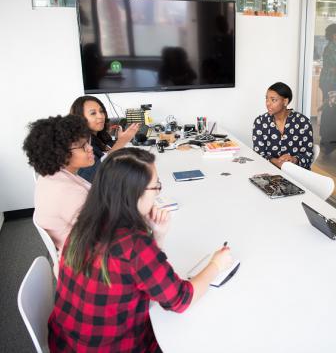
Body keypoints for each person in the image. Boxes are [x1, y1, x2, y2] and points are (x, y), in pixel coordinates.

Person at [48, 148, 233, 352]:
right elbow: (181, 299)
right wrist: (216, 264)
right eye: (156, 187)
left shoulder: (85, 222)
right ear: (135, 194)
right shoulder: (133, 245)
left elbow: (138, 273)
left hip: (66, 343)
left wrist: (157, 235)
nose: (158, 193)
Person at [22, 115, 94, 250]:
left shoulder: (49, 176)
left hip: (75, 246)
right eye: (82, 146)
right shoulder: (69, 192)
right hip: (85, 257)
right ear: (60, 153)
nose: (90, 148)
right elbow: (100, 235)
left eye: (87, 142)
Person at [70, 95, 139, 182]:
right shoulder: (79, 146)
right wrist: (121, 142)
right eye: (93, 113)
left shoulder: (101, 135)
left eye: (101, 111)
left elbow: (115, 155)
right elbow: (94, 176)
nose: (101, 116)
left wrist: (119, 141)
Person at [252, 82, 314, 169]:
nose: (268, 103)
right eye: (267, 99)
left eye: (273, 100)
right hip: (269, 171)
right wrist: (276, 162)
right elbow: (258, 153)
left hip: (296, 174)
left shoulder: (303, 123)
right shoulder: (260, 122)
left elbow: (308, 155)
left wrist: (293, 159)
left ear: (285, 101)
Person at [319, 23, 336, 154]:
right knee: (330, 110)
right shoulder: (331, 48)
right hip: (329, 83)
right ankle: (327, 140)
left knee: (330, 109)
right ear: (334, 35)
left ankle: (327, 139)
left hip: (333, 82)